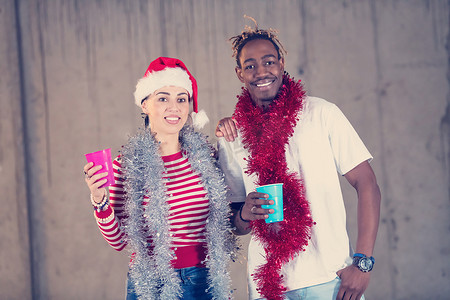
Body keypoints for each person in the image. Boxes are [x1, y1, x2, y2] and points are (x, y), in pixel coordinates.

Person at [216, 19, 381, 300]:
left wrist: (363, 264)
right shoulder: (233, 134)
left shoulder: (321, 113)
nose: (260, 72)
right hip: (268, 286)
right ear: (239, 74)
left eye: (268, 62)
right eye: (250, 66)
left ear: (281, 64)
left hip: (330, 278)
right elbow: (234, 223)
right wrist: (245, 213)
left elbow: (367, 184)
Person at [83, 57, 236, 300]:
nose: (174, 107)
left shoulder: (207, 157)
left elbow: (235, 203)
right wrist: (99, 199)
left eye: (181, 99)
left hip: (205, 280)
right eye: (163, 98)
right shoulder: (126, 166)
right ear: (145, 105)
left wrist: (230, 132)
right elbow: (119, 241)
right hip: (151, 282)